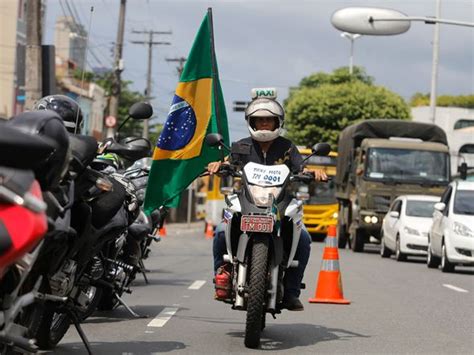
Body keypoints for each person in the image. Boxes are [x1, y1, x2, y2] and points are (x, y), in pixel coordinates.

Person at [207, 96, 327, 311]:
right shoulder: (240, 146)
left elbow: (301, 169)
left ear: (277, 122)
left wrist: (314, 172)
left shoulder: (288, 147)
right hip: (247, 199)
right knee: (220, 232)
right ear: (251, 123)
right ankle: (222, 276)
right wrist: (219, 164)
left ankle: (291, 292)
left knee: (304, 240)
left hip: (280, 202)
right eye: (259, 120)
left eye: (268, 120)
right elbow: (228, 163)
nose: (264, 124)